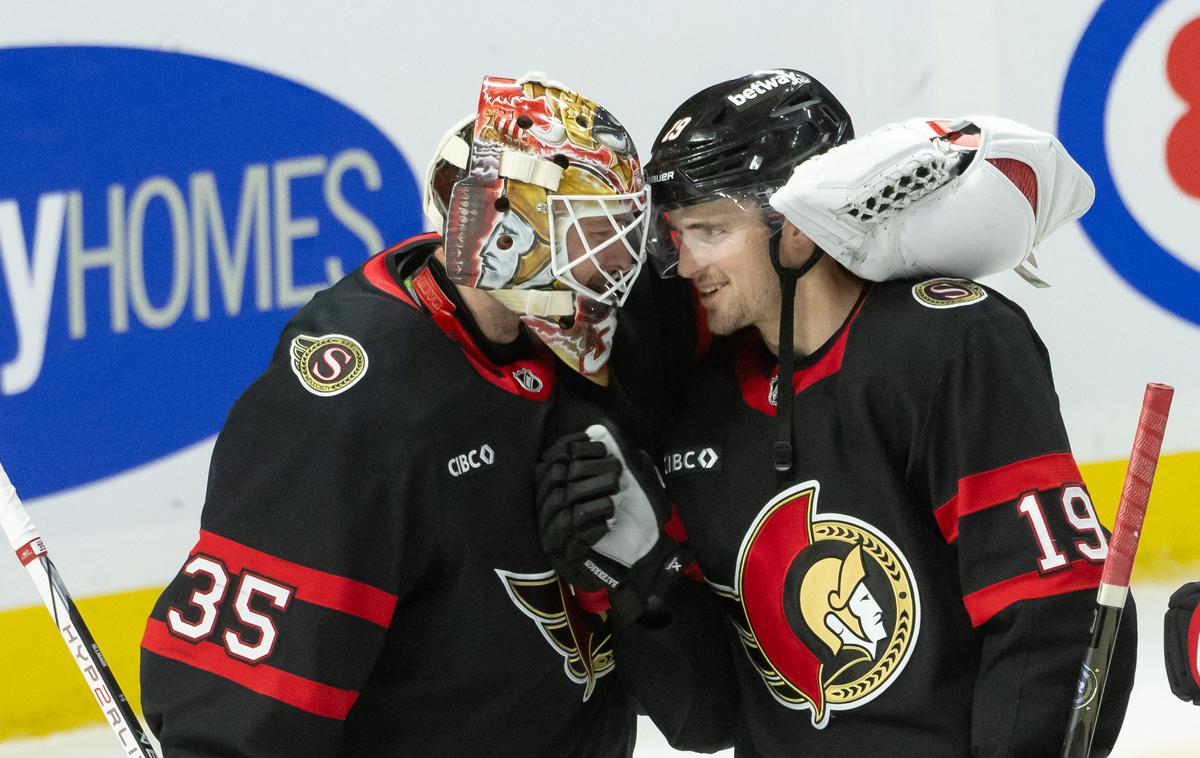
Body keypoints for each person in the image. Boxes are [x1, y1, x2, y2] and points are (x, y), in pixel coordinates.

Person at [535, 69, 1138, 756]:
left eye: (708, 229)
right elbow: (708, 721)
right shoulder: (701, 414)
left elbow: (1051, 608)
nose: (684, 262)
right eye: (676, 233)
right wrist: (641, 573)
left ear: (795, 230)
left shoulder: (948, 346)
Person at [138, 74, 709, 757]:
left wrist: (644, 572)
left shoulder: (581, 328)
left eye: (620, 233)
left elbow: (705, 714)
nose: (617, 266)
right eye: (592, 235)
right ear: (503, 233)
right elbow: (244, 707)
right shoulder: (355, 413)